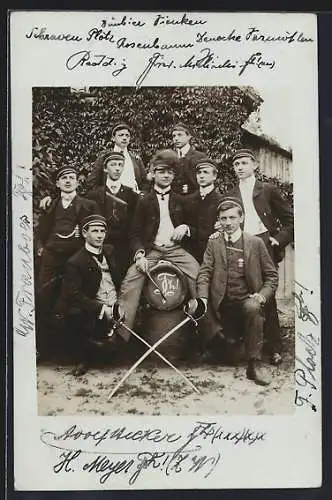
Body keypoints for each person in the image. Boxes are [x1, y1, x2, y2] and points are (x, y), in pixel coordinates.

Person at [194, 198, 279, 385]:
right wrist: (202, 298)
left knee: (253, 308)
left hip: (245, 301)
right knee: (197, 304)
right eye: (223, 218)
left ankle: (254, 365)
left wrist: (262, 295)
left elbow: (272, 277)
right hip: (222, 304)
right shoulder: (214, 243)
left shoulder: (255, 243)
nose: (228, 223)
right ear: (219, 220)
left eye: (232, 217)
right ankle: (221, 344)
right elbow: (204, 272)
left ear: (241, 218)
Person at [117, 149, 200, 336]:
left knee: (199, 275)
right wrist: (139, 255)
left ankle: (204, 331)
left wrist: (185, 228)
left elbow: (196, 229)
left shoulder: (182, 200)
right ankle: (119, 335)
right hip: (152, 251)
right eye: (161, 171)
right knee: (130, 281)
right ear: (153, 174)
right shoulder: (144, 201)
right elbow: (135, 233)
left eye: (169, 172)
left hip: (176, 250)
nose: (166, 175)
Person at [225, 148, 294, 365]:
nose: (240, 168)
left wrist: (278, 239)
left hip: (264, 243)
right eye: (237, 165)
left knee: (268, 295)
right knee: (243, 294)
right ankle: (248, 345)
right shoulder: (230, 193)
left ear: (255, 165)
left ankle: (274, 347)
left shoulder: (268, 190)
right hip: (241, 245)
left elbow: (291, 219)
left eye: (244, 163)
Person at [35, 166, 98, 356]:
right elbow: (41, 231)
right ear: (58, 183)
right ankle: (43, 349)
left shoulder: (88, 205)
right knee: (44, 298)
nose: (68, 181)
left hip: (77, 258)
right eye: (64, 178)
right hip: (52, 257)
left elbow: (97, 231)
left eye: (72, 177)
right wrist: (40, 248)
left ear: (78, 182)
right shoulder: (50, 205)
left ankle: (79, 352)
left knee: (76, 300)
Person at [56, 215, 124, 376]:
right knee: (76, 313)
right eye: (94, 231)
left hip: (116, 301)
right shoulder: (75, 261)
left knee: (114, 353)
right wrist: (101, 308)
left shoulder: (110, 251)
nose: (100, 235)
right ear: (85, 233)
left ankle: (108, 345)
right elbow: (74, 294)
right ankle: (84, 358)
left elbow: (119, 278)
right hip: (95, 307)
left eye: (102, 231)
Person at [86, 151, 138, 279]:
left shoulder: (131, 194)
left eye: (120, 165)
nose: (117, 168)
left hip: (124, 244)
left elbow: (134, 222)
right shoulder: (95, 194)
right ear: (105, 169)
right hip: (102, 242)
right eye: (113, 165)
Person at [86, 122, 147, 193]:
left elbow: (144, 182)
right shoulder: (104, 158)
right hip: (111, 199)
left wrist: (142, 195)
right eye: (121, 135)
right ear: (113, 138)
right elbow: (92, 182)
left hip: (134, 199)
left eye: (127, 136)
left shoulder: (136, 159)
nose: (124, 138)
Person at [183, 157, 223, 263]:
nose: (201, 176)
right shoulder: (188, 200)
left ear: (214, 176)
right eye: (199, 172)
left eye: (206, 172)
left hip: (213, 254)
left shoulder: (221, 200)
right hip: (191, 254)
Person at [171, 122, 207, 195]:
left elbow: (207, 181)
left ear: (189, 137)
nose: (176, 138)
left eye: (180, 135)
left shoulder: (200, 157)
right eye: (174, 136)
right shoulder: (170, 157)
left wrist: (191, 188)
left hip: (194, 201)